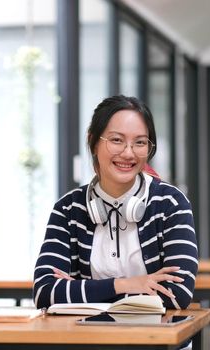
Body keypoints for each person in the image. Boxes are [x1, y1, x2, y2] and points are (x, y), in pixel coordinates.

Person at [33, 95, 198, 311]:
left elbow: (177, 295)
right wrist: (126, 284)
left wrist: (80, 290)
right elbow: (45, 293)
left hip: (157, 339)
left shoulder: (170, 203)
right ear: (94, 142)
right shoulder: (68, 209)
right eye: (117, 140)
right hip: (87, 338)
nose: (128, 153)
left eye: (139, 142)